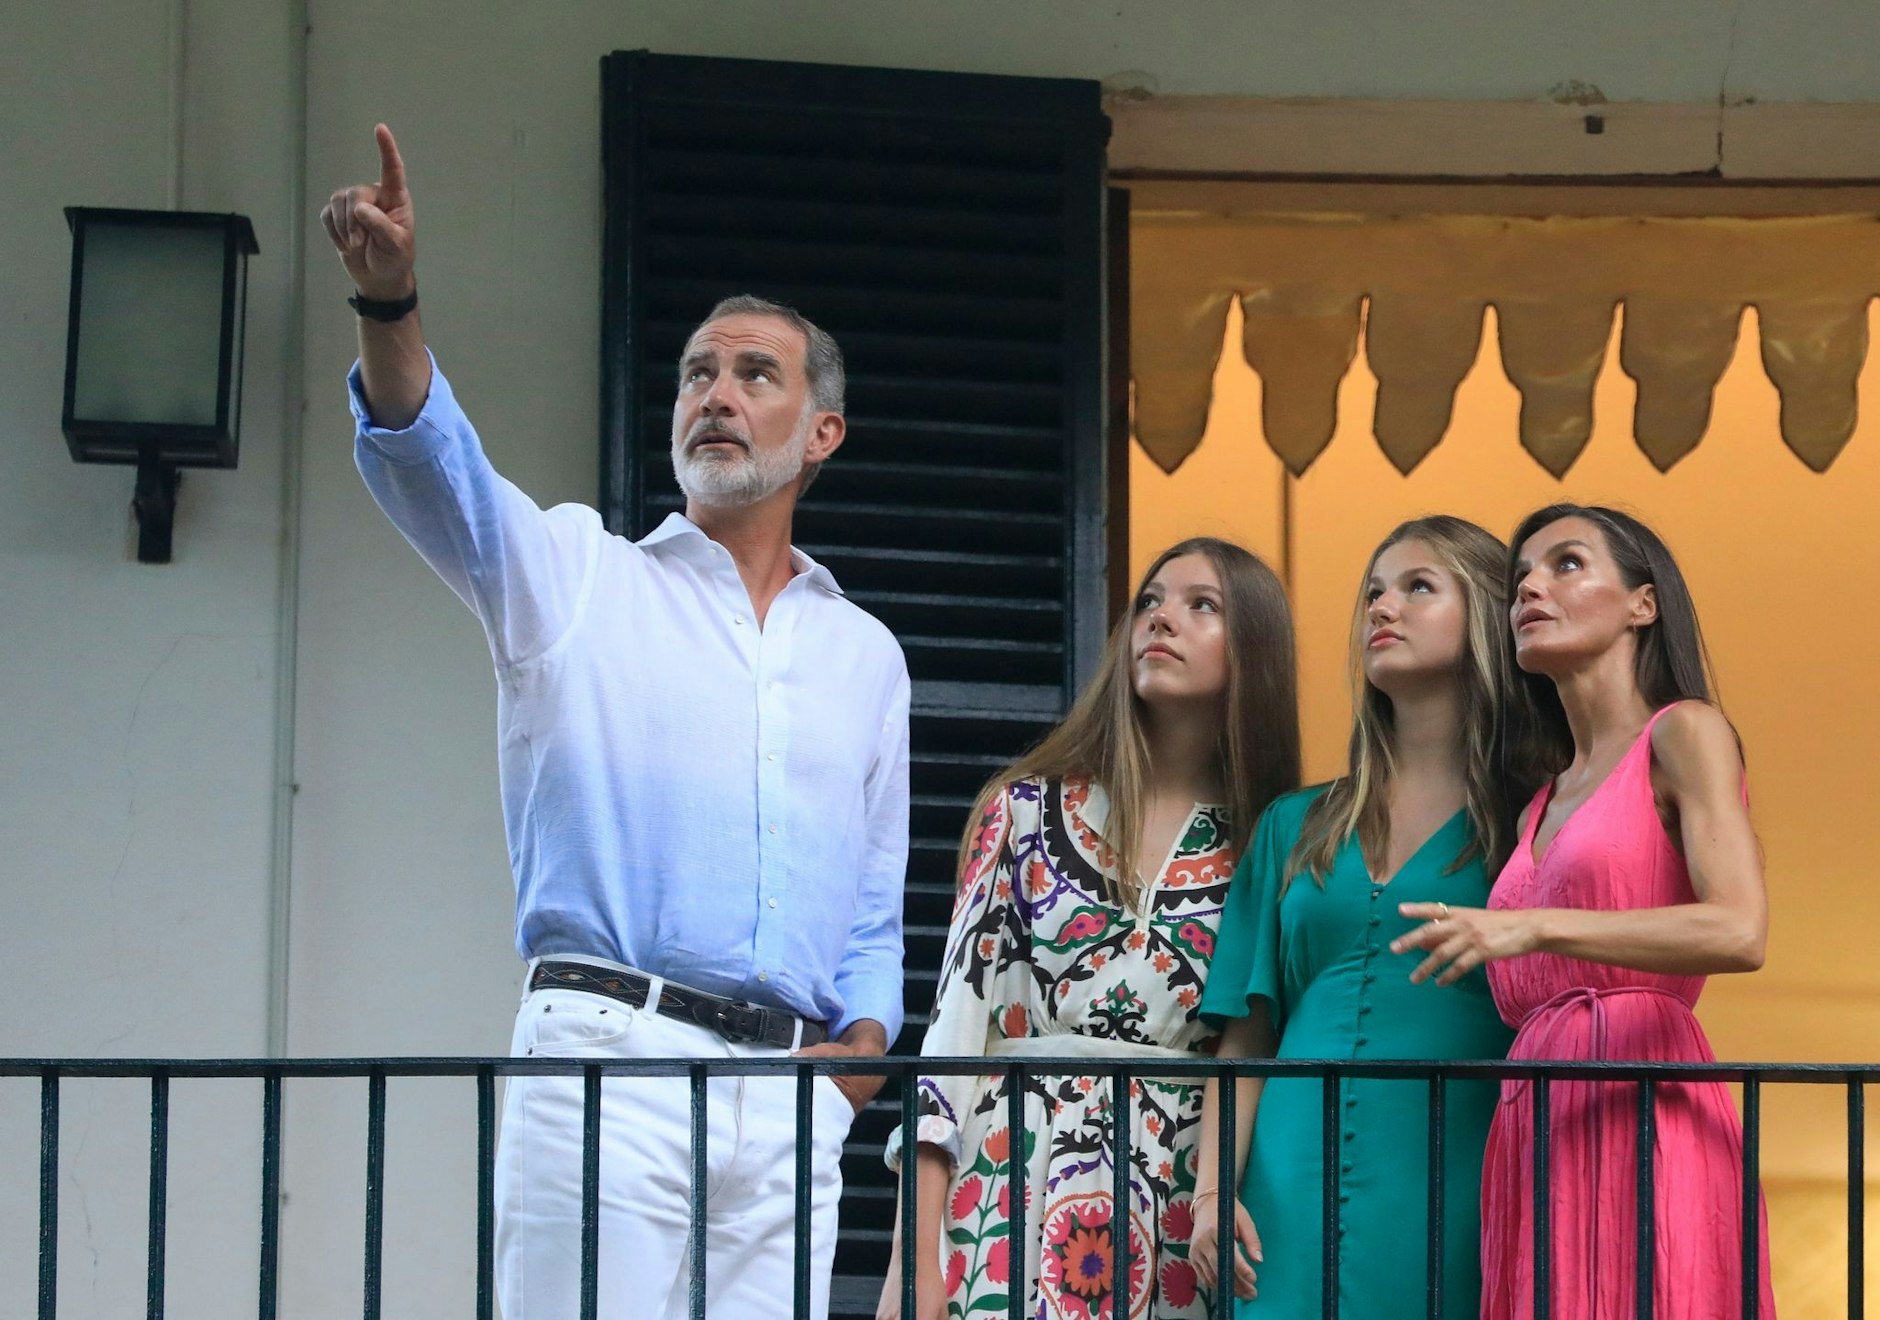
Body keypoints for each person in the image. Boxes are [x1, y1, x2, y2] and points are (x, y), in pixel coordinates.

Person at [322, 124, 909, 1320]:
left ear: (821, 433)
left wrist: (847, 1067)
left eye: (755, 376)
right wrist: (391, 305)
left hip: (785, 1099)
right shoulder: (579, 574)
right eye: (699, 372)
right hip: (607, 1058)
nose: (717, 396)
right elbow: (436, 473)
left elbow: (872, 907)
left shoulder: (864, 655)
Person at [876, 538, 1301, 1320]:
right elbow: (952, 1044)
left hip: (1176, 1219)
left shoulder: (1273, 849)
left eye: (1201, 605)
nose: (1161, 618)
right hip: (1008, 1195)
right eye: (1150, 600)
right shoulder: (1025, 812)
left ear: (1255, 652)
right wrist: (913, 1264)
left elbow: (1259, 1054)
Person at [1391, 503, 1774, 1318]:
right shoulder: (1539, 801)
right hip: (1538, 1113)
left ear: (1643, 604)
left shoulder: (1684, 734)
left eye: (1566, 563)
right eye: (1521, 575)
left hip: (1644, 1097)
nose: (1529, 585)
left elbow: (1740, 928)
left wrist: (1534, 926)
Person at [1191, 516, 1533, 1316]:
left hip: (1460, 1170)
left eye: (1418, 587)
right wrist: (1210, 1192)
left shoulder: (1534, 822)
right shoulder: (1294, 823)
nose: (1384, 607)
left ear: (1486, 613)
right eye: (1375, 591)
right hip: (1282, 1186)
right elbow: (1246, 1035)